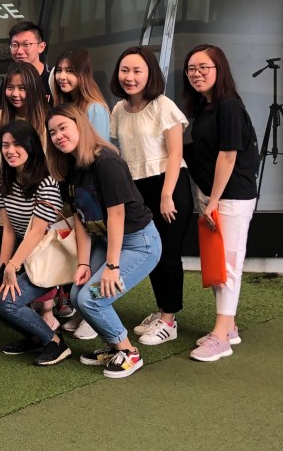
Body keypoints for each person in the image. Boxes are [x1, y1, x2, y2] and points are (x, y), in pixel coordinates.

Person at [46, 104, 162, 378]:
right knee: (77, 295)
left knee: (91, 299)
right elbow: (80, 218)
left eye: (63, 128)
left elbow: (117, 215)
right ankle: (113, 347)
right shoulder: (71, 167)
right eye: (52, 133)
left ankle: (129, 352)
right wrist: (83, 263)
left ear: (80, 125)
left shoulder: (106, 162)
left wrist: (112, 266)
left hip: (139, 244)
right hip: (106, 240)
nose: (58, 136)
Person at [111, 46, 194, 346]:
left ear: (150, 74)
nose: (130, 77)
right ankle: (162, 311)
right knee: (152, 253)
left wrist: (167, 195)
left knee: (168, 254)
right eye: (125, 70)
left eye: (137, 71)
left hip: (168, 185)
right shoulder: (119, 109)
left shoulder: (163, 106)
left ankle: (169, 321)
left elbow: (176, 154)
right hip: (137, 188)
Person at [182, 44, 259, 362]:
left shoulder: (229, 107)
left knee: (228, 265)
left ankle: (221, 337)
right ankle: (229, 327)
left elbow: (228, 156)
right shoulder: (206, 106)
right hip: (213, 194)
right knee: (217, 263)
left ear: (219, 69)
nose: (196, 73)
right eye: (191, 69)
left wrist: (212, 201)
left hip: (231, 196)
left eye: (204, 67)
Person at [0, 120, 72, 366]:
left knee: (7, 302)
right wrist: (4, 268)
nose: (10, 151)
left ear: (31, 146)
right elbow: (9, 229)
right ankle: (35, 337)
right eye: (5, 145)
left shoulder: (47, 182)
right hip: (25, 255)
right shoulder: (5, 179)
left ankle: (55, 343)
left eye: (17, 144)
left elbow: (37, 231)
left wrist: (13, 266)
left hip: (48, 257)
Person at [52, 48, 110, 141]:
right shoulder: (64, 104)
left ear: (83, 74)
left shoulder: (94, 109)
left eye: (69, 71)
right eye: (59, 70)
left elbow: (99, 147)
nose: (62, 77)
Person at [0, 63, 50, 143]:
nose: (15, 94)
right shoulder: (0, 117)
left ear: (34, 89)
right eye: (10, 87)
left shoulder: (48, 119)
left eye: (22, 88)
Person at [9, 20, 52, 101]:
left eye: (26, 44)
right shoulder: (9, 80)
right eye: (15, 45)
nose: (19, 51)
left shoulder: (54, 77)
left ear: (41, 47)